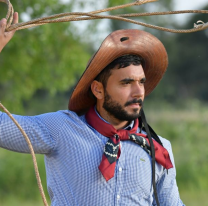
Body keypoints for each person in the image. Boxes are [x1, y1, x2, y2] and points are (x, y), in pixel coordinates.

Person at [0, 13, 184, 206]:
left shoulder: (158, 148)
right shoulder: (61, 128)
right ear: (98, 89)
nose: (138, 92)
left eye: (141, 82)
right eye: (126, 82)